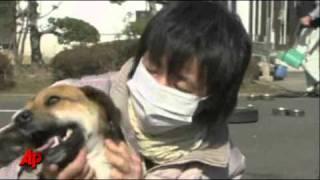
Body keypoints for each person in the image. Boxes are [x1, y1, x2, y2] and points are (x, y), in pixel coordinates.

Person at [0, 1, 252, 179]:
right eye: (152, 68)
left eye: (178, 83)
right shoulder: (73, 99)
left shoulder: (221, 166)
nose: (156, 85)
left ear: (211, 98)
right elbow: (19, 159)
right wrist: (38, 171)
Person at [296, 0, 319, 92]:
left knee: (306, 58)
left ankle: (316, 81)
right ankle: (311, 88)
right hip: (305, 29)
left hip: (315, 28)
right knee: (302, 56)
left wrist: (310, 16)